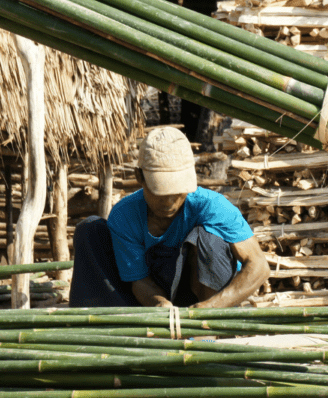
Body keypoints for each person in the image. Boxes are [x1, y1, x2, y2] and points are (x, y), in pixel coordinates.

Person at [69, 127, 269, 308]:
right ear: (140, 177)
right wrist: (159, 304)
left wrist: (211, 307)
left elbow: (259, 266)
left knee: (210, 238)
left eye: (178, 193)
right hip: (151, 299)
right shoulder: (124, 215)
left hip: (207, 300)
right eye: (160, 192)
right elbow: (139, 280)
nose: (169, 202)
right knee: (90, 229)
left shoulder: (211, 206)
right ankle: (113, 329)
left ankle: (207, 333)